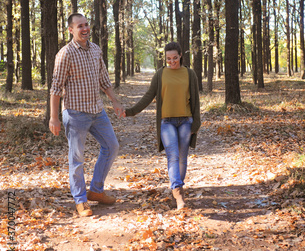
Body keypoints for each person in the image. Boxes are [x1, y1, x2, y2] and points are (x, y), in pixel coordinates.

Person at [49, 13, 125, 217]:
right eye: (79, 26)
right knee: (77, 158)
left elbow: (104, 80)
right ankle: (80, 200)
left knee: (112, 146)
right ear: (71, 30)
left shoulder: (95, 50)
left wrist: (115, 101)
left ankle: (96, 191)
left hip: (97, 111)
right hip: (75, 113)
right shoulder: (65, 54)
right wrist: (54, 117)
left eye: (86, 24)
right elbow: (56, 88)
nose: (84, 29)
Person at [125, 42, 200, 209]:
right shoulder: (160, 74)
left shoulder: (190, 74)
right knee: (172, 156)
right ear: (165, 58)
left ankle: (178, 187)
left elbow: (196, 100)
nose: (172, 61)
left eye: (174, 58)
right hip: (166, 122)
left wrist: (197, 122)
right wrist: (130, 111)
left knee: (182, 158)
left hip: (186, 121)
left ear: (181, 55)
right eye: (168, 59)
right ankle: (178, 192)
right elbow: (148, 96)